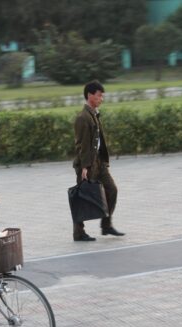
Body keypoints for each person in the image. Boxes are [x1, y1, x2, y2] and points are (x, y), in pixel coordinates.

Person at [72, 80, 125, 241]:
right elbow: (82, 145)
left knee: (112, 190)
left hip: (99, 163)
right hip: (87, 164)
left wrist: (103, 160)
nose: (101, 98)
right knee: (82, 198)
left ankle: (106, 225)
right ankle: (79, 233)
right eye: (99, 95)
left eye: (102, 95)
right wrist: (85, 167)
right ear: (90, 95)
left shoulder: (94, 114)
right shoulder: (83, 118)